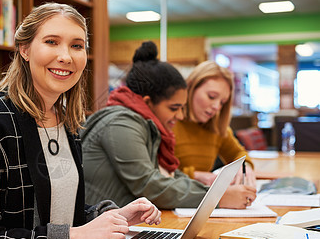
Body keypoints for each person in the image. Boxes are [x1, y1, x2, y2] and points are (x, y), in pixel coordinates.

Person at [0, 3, 161, 239]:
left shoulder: (68, 121)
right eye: (52, 42)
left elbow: (57, 213)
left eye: (77, 45)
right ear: (24, 49)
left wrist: (111, 216)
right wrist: (73, 237)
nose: (66, 56)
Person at [81, 41, 256, 211]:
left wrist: (216, 192)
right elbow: (149, 184)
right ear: (148, 103)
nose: (179, 115)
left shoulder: (143, 124)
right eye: (174, 108)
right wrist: (218, 197)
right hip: (101, 231)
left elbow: (168, 175)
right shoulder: (122, 123)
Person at [173, 60, 257, 187]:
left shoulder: (217, 127)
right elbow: (155, 173)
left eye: (222, 102)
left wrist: (245, 166)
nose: (217, 107)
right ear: (191, 88)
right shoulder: (170, 122)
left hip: (199, 201)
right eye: (211, 96)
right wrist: (195, 175)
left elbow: (239, 154)